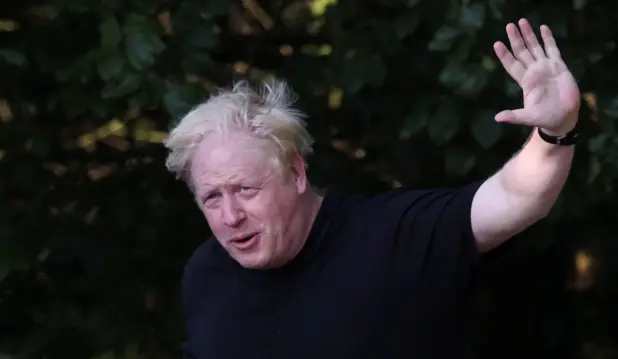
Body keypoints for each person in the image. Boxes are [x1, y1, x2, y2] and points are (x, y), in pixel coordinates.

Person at [164, 18, 580, 359]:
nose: (230, 216)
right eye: (212, 197)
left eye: (247, 190)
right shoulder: (207, 273)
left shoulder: (393, 236)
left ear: (295, 172)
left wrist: (555, 129)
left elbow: (517, 198)